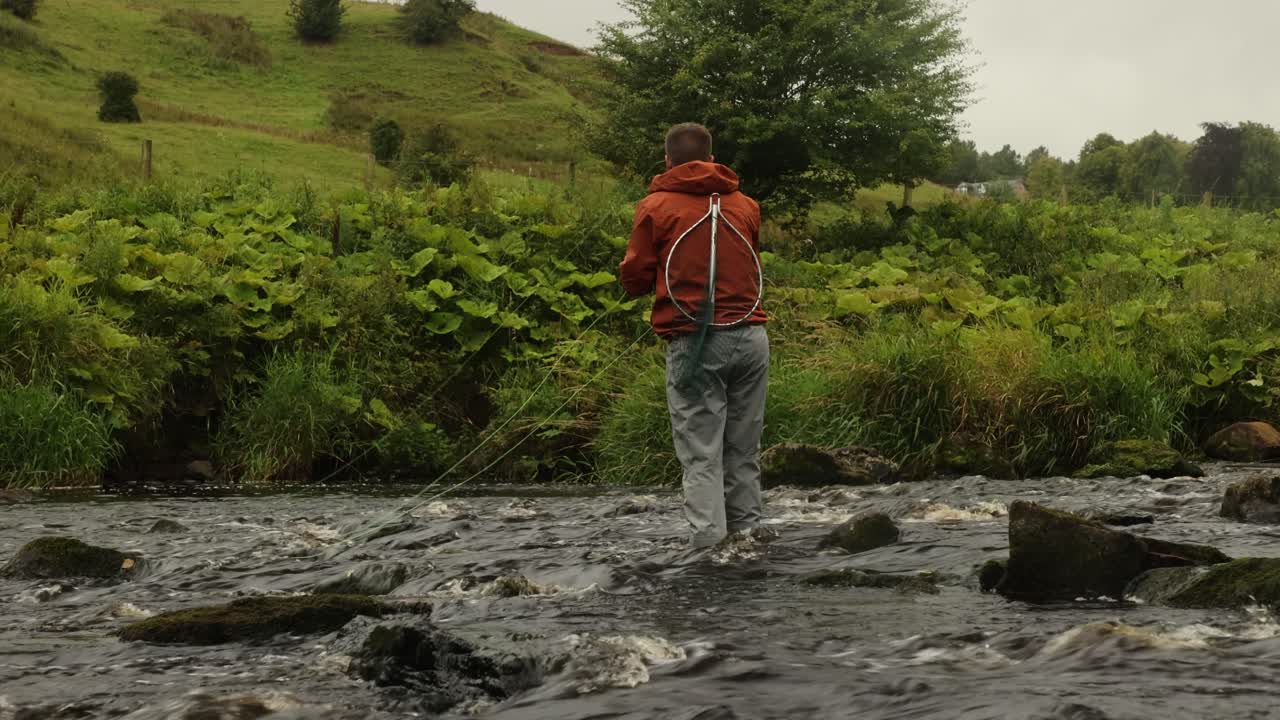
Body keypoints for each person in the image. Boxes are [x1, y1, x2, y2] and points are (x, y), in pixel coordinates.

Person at [619, 122, 769, 548]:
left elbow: (635, 275)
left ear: (668, 160)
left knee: (702, 455)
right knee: (743, 452)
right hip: (752, 336)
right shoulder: (746, 204)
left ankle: (708, 552)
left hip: (694, 340)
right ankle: (748, 540)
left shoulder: (655, 205)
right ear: (711, 158)